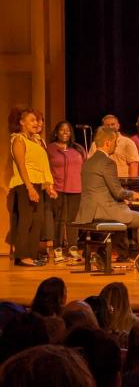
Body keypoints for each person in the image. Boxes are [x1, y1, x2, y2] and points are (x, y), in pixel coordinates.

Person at [75, 126, 139, 258]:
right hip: (105, 211)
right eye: (115, 143)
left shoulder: (88, 162)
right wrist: (133, 194)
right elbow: (118, 192)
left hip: (88, 212)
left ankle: (102, 252)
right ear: (107, 143)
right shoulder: (107, 162)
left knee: (121, 223)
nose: (116, 146)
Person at [7, 105, 58, 266]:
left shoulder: (37, 141)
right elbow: (21, 166)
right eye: (33, 120)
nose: (37, 123)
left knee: (37, 221)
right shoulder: (18, 140)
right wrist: (29, 187)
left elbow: (43, 166)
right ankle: (21, 256)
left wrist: (48, 185)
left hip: (38, 184)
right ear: (22, 122)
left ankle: (32, 253)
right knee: (26, 220)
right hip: (24, 184)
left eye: (39, 120)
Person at [46, 121, 86, 257]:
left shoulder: (78, 148)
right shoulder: (49, 148)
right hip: (58, 188)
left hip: (76, 188)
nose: (65, 133)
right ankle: (57, 247)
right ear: (56, 132)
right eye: (62, 130)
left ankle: (72, 247)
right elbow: (46, 169)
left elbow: (84, 169)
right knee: (59, 219)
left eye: (68, 130)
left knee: (73, 219)